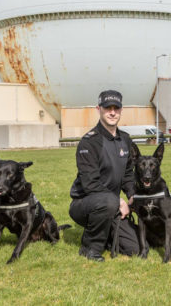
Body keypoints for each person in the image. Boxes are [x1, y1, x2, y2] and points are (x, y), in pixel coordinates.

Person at [69, 90, 141, 262]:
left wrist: (132, 195)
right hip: (85, 204)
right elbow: (90, 184)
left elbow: (128, 175)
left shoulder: (125, 139)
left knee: (134, 248)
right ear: (98, 109)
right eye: (108, 108)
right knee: (108, 202)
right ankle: (90, 248)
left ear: (121, 111)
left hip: (110, 206)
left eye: (116, 108)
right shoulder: (89, 142)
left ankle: (106, 230)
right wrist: (119, 201)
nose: (112, 112)